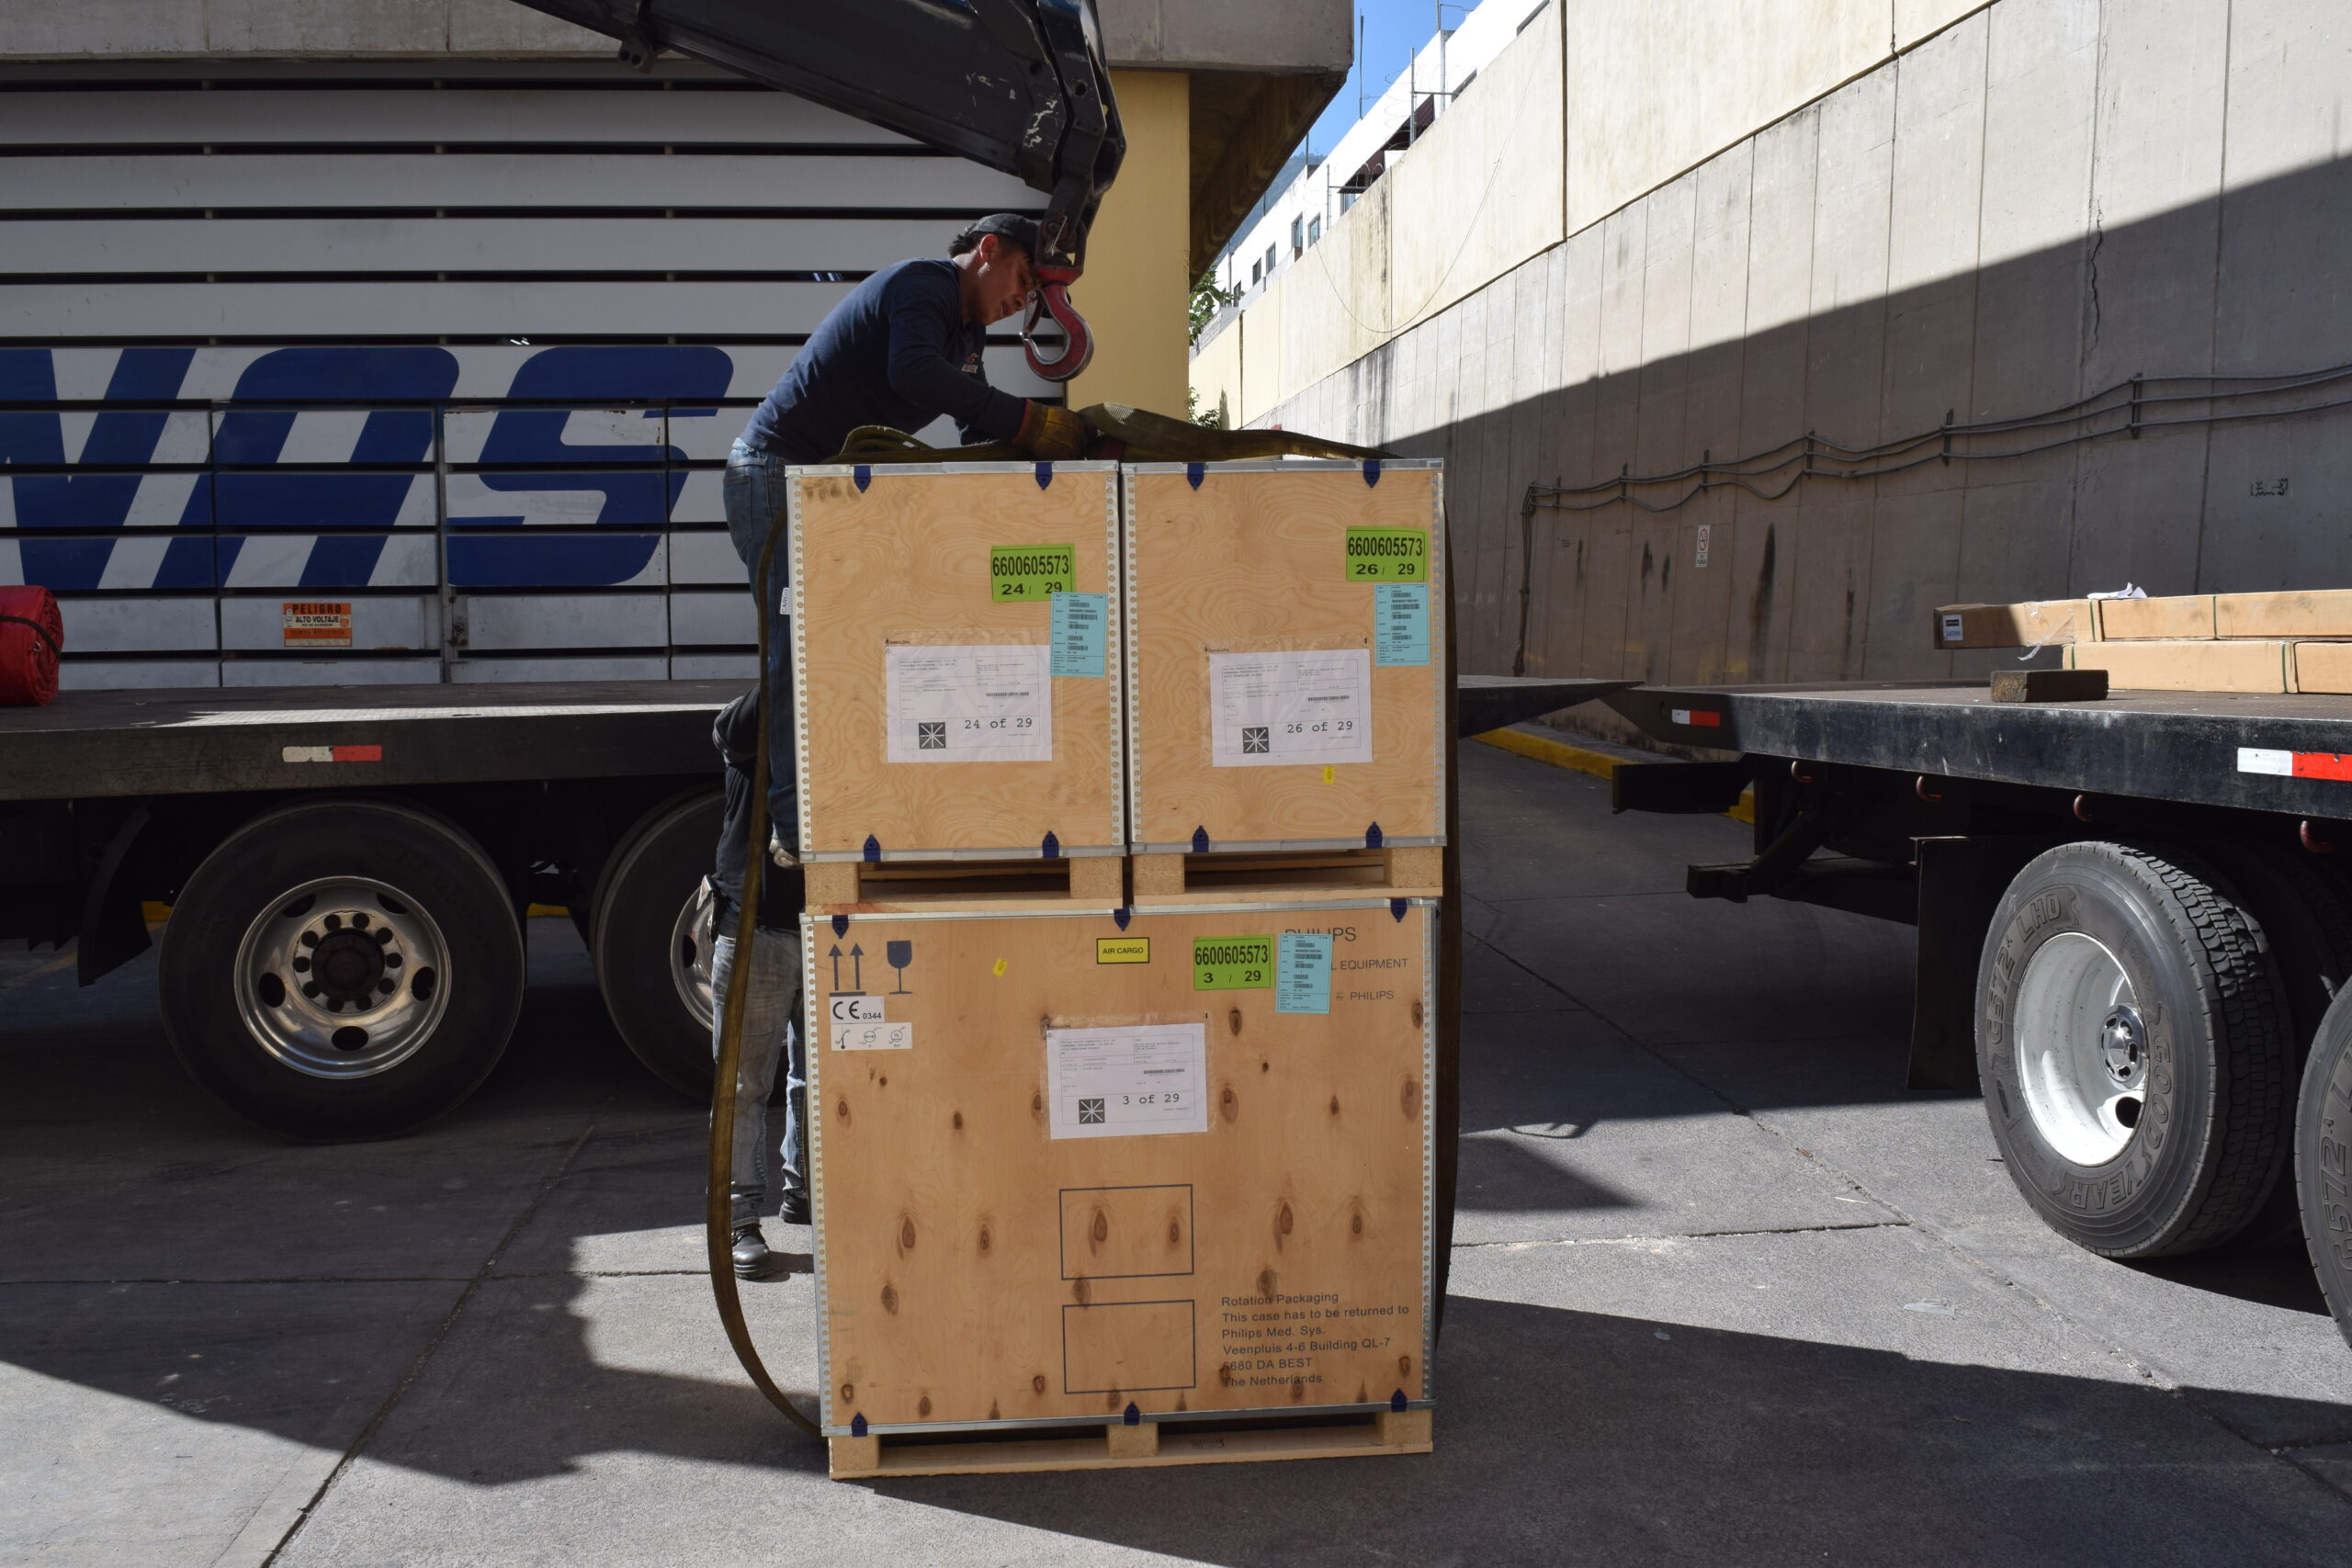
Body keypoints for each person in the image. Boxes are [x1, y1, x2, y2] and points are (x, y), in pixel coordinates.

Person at [715, 214, 1088, 1280]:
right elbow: (923, 378)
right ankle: (793, 821)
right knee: (802, 640)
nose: (1026, 299)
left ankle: (802, 1188)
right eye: (1024, 276)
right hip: (774, 479)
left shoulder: (967, 336)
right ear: (986, 251)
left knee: (855, 643)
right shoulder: (925, 291)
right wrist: (1025, 423)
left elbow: (956, 426)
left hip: (830, 487)